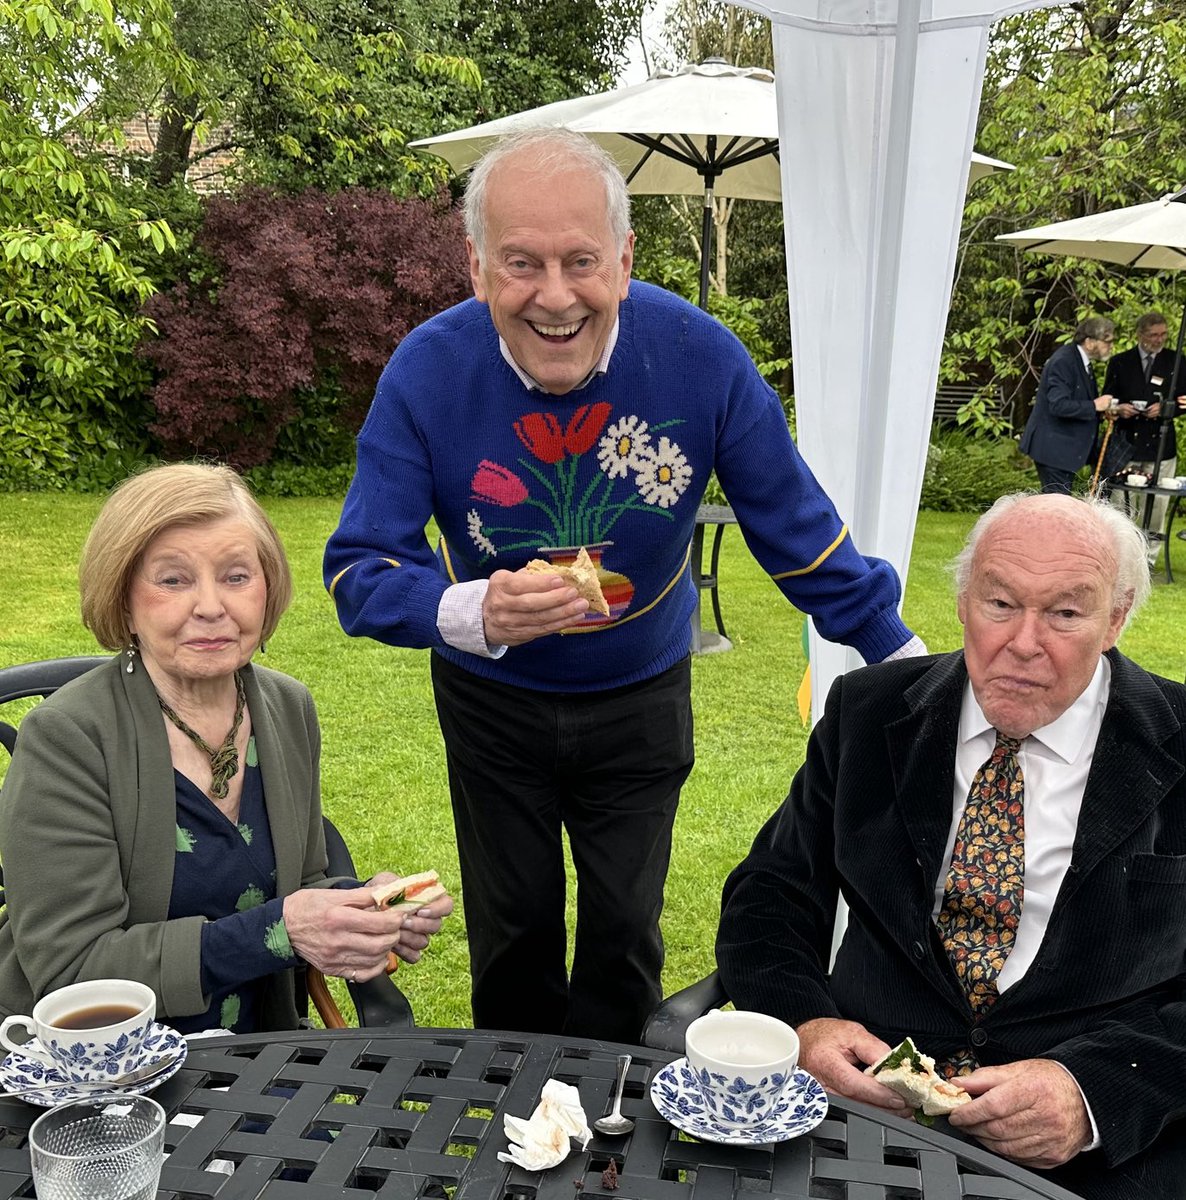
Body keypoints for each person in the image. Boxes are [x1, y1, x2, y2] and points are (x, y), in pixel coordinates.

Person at [324, 128, 925, 1043]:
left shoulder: (700, 356)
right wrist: (474, 607)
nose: (555, 296)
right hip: (492, 704)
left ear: (626, 260)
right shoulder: (427, 370)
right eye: (521, 264)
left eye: (581, 262)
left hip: (642, 698)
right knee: (512, 932)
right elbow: (360, 569)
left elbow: (792, 522)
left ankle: (608, 1147)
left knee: (623, 933)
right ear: (478, 267)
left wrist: (904, 657)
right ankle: (517, 1135)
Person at [716, 493, 1186, 1200]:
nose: (1024, 642)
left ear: (1115, 619)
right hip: (865, 1113)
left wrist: (1093, 1093)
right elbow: (771, 896)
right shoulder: (867, 713)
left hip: (1100, 1149)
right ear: (964, 601)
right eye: (1001, 604)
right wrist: (805, 1025)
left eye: (1065, 612)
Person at [0, 464, 452, 1033]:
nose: (211, 606)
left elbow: (298, 883)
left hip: (263, 1054)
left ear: (268, 589)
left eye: (237, 576)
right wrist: (283, 931)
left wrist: (365, 906)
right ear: (122, 598)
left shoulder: (286, 708)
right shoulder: (67, 738)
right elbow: (72, 971)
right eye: (173, 579)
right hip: (105, 1071)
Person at [1103, 311, 1186, 549]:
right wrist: (1120, 409)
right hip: (1128, 442)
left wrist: (1166, 408)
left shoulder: (1177, 361)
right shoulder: (1120, 362)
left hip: (1160, 443)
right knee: (1122, 501)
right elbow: (1108, 399)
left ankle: (1149, 557)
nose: (1159, 339)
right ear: (1140, 334)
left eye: (1163, 334)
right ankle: (1121, 552)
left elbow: (1184, 401)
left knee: (1158, 502)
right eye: (1153, 335)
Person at [1020, 317, 1116, 494]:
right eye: (1107, 341)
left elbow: (1076, 400)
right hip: (1054, 450)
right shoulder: (1064, 361)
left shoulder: (1080, 361)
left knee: (1057, 506)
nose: (1111, 346)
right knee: (1056, 508)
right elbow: (1058, 405)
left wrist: (1101, 411)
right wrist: (1094, 406)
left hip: (1063, 450)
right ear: (1089, 342)